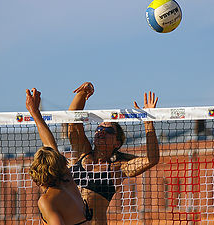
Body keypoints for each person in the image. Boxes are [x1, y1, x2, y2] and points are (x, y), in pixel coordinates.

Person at [67, 82, 160, 225]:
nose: (101, 132)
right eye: (99, 129)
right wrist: (83, 93)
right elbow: (72, 122)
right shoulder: (83, 152)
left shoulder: (117, 168)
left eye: (108, 131)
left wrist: (148, 122)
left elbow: (151, 159)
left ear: (117, 143)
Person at [26, 88, 92, 225]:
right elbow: (50, 144)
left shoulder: (46, 200)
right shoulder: (67, 179)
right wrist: (35, 113)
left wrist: (34, 112)